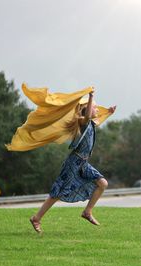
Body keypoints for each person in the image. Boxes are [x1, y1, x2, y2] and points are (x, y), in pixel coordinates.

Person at [30, 88, 116, 233]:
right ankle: (36, 218)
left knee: (102, 183)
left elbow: (96, 118)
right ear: (85, 109)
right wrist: (90, 97)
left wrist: (108, 112)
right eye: (95, 107)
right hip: (73, 163)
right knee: (58, 193)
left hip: (83, 163)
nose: (96, 109)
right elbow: (88, 115)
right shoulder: (82, 122)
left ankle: (87, 212)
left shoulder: (91, 124)